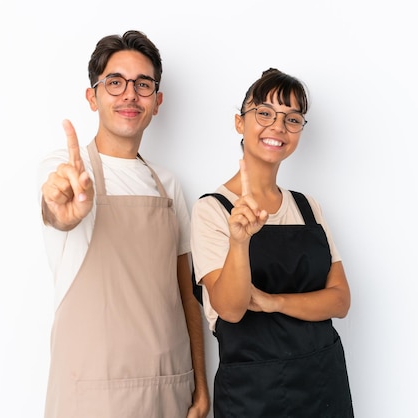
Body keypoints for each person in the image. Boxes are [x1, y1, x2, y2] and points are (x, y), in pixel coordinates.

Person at [38, 30, 209, 418]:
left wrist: (200, 383)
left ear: (157, 101)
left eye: (142, 84)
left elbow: (186, 295)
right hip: (91, 395)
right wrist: (64, 209)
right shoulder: (63, 171)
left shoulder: (168, 185)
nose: (129, 94)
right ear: (92, 96)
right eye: (114, 82)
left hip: (169, 389)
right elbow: (56, 210)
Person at [190, 68, 353, 417]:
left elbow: (340, 300)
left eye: (292, 119)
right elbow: (231, 309)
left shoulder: (308, 207)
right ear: (239, 122)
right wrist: (238, 242)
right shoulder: (212, 210)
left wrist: (274, 302)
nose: (278, 126)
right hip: (254, 394)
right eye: (264, 113)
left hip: (323, 381)